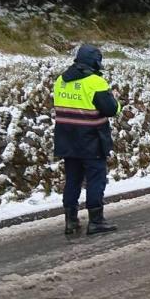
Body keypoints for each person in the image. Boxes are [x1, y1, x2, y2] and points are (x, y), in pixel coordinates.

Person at [53, 44, 121, 235]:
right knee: (95, 180)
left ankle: (71, 221)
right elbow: (111, 109)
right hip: (91, 139)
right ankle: (96, 221)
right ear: (95, 62)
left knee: (72, 179)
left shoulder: (61, 81)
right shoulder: (95, 82)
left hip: (66, 138)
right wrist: (117, 101)